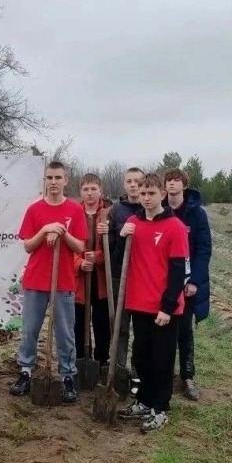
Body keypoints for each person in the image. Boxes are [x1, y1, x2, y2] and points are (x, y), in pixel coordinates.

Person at [117, 174, 189, 433]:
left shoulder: (175, 227)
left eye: (151, 194)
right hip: (139, 303)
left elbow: (179, 270)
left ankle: (160, 408)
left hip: (164, 308)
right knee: (142, 357)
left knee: (162, 359)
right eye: (143, 194)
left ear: (162, 195)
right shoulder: (133, 223)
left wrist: (168, 307)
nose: (146, 198)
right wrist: (121, 236)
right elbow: (120, 258)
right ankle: (144, 401)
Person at [9, 161, 86, 402]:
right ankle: (25, 371)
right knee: (30, 330)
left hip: (63, 281)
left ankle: (68, 376)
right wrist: (44, 231)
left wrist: (62, 231)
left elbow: (80, 246)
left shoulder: (75, 210)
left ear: (66, 180)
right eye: (50, 177)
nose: (53, 182)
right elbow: (28, 245)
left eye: (58, 177)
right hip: (36, 280)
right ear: (45, 180)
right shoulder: (34, 210)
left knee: (65, 332)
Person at [162, 168, 212, 401]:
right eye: (168, 180)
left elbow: (203, 249)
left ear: (184, 184)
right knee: (162, 329)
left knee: (184, 329)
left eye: (176, 180)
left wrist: (194, 281)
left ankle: (187, 376)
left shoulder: (196, 213)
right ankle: (164, 374)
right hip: (163, 280)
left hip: (186, 282)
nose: (172, 184)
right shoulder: (159, 210)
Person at [99, 167, 144, 391]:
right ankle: (118, 370)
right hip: (120, 276)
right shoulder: (115, 211)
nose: (133, 185)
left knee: (142, 330)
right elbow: (111, 250)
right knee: (120, 326)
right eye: (129, 181)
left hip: (144, 278)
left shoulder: (150, 208)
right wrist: (118, 236)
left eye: (138, 181)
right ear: (124, 185)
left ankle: (138, 372)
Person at [73, 174, 110, 366]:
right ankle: (80, 359)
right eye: (86, 189)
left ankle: (101, 361)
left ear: (100, 190)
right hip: (79, 280)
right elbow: (68, 247)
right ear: (80, 191)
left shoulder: (108, 214)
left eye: (93, 189)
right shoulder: (74, 213)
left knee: (102, 323)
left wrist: (99, 257)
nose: (90, 193)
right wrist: (79, 263)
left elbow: (114, 246)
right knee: (78, 322)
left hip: (101, 280)